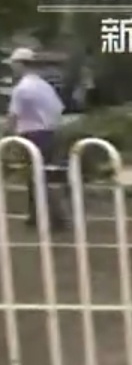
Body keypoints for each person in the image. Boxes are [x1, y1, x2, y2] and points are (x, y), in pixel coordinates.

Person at [6, 47, 68, 230]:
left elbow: (13, 117)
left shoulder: (22, 88)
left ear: (20, 65)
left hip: (32, 136)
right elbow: (59, 109)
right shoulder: (44, 85)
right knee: (44, 176)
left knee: (37, 177)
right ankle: (37, 215)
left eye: (14, 65)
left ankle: (54, 218)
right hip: (50, 133)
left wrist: (7, 138)